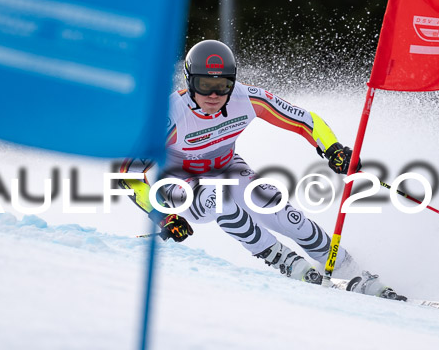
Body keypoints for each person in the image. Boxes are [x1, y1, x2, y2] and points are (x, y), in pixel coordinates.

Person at [120, 39, 405, 300]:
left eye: (223, 85)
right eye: (205, 85)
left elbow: (305, 120)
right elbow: (127, 174)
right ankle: (283, 260)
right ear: (189, 80)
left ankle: (348, 267)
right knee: (217, 197)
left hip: (225, 167)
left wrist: (333, 149)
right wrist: (163, 216)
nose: (214, 94)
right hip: (178, 181)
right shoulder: (170, 115)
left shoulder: (246, 98)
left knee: (276, 207)